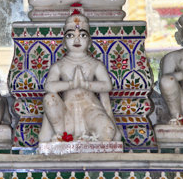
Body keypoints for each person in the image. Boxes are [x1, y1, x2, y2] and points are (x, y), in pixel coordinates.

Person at [39, 11, 122, 143]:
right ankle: (62, 135)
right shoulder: (59, 66)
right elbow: (49, 86)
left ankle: (90, 137)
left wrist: (85, 85)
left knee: (107, 132)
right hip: (68, 112)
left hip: (91, 108)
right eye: (71, 35)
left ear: (89, 42)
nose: (77, 40)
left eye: (82, 35)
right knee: (50, 98)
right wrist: (71, 84)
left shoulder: (95, 64)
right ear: (64, 42)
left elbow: (107, 85)